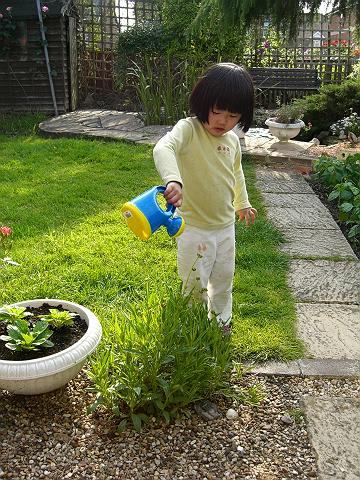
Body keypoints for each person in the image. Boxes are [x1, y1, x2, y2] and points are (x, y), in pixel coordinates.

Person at [153, 62, 257, 332]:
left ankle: (222, 319)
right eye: (218, 111)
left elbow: (236, 174)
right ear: (203, 102)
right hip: (193, 227)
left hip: (224, 228)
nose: (223, 121)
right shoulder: (189, 130)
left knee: (223, 278)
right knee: (194, 280)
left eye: (233, 115)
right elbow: (163, 147)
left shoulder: (232, 142)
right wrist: (173, 179)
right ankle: (193, 321)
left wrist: (242, 203)